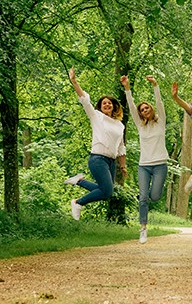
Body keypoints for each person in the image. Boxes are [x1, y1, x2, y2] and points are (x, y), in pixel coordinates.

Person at [64, 66, 127, 221]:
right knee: (106, 191)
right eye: (104, 103)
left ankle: (79, 181)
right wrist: (74, 82)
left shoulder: (120, 125)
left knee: (106, 192)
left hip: (111, 162)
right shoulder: (96, 116)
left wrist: (123, 166)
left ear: (114, 107)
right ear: (100, 106)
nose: (107, 105)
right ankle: (78, 202)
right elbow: (85, 100)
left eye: (110, 103)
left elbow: (121, 147)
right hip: (98, 159)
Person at [121, 74, 168, 244]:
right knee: (143, 197)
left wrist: (155, 85)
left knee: (154, 196)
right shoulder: (140, 126)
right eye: (142, 110)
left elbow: (160, 103)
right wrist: (127, 88)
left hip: (160, 165)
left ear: (151, 109)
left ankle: (150, 197)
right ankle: (143, 228)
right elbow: (132, 107)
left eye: (146, 108)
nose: (144, 111)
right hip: (144, 166)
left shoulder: (160, 121)